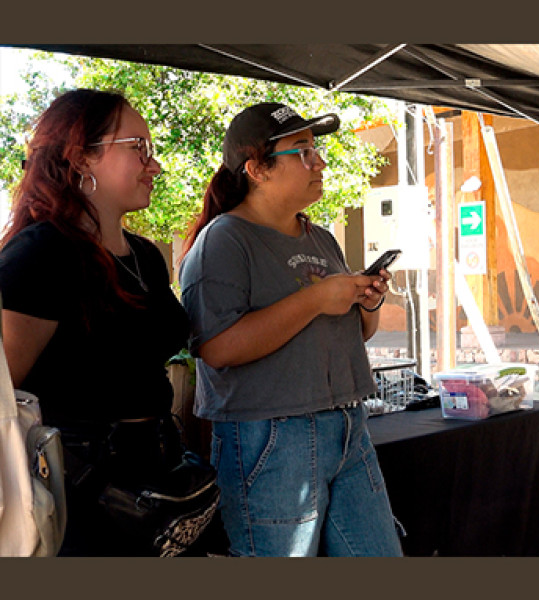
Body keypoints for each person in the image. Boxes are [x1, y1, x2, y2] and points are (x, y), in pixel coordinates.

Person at [178, 102, 403, 557]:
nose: (318, 161)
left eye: (315, 149)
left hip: (346, 423)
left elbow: (355, 334)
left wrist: (367, 301)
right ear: (257, 169)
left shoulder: (320, 237)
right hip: (271, 435)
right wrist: (317, 299)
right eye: (301, 151)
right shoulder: (224, 240)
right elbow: (217, 348)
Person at [0, 89, 196, 555]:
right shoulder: (42, 254)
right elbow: (5, 395)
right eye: (138, 149)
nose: (155, 165)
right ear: (81, 158)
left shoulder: (145, 256)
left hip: (154, 482)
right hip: (82, 496)